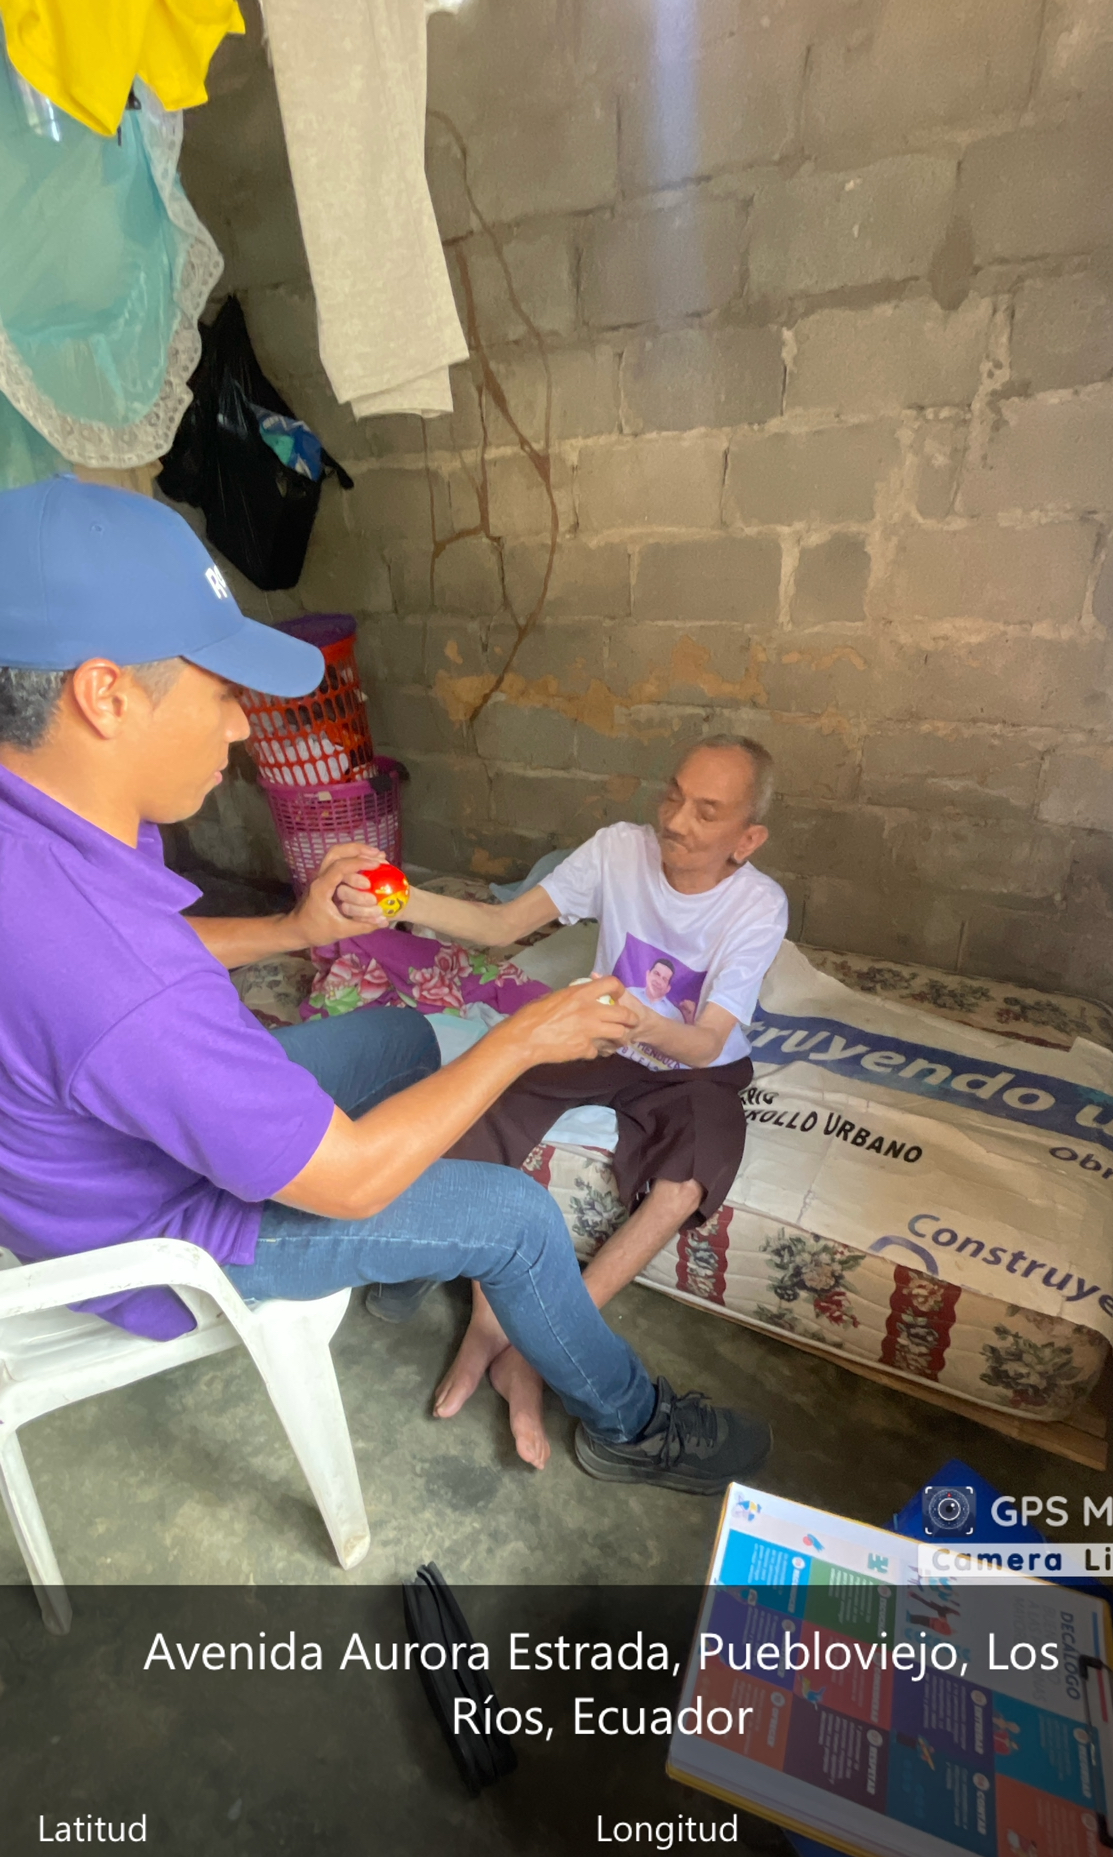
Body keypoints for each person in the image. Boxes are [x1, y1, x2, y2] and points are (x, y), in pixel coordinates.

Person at [0, 476, 772, 1498]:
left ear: (747, 837)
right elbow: (354, 1171)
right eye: (223, 691)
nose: (242, 728)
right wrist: (524, 1037)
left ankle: (409, 1256)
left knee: (402, 1038)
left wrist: (295, 928)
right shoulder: (123, 984)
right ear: (105, 695)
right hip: (164, 1229)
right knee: (515, 1219)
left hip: (105, 1147)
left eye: (708, 813)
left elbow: (152, 943)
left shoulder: (50, 824)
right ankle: (633, 1424)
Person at [343, 737, 788, 1469]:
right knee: (491, 1099)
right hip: (601, 1038)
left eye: (707, 813)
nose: (677, 821)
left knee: (684, 1185)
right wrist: (392, 893)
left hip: (692, 1067)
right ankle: (489, 1327)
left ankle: (528, 1347)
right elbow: (502, 926)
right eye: (673, 795)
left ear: (747, 839)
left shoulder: (758, 905)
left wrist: (643, 1023)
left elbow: (708, 1040)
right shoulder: (619, 849)